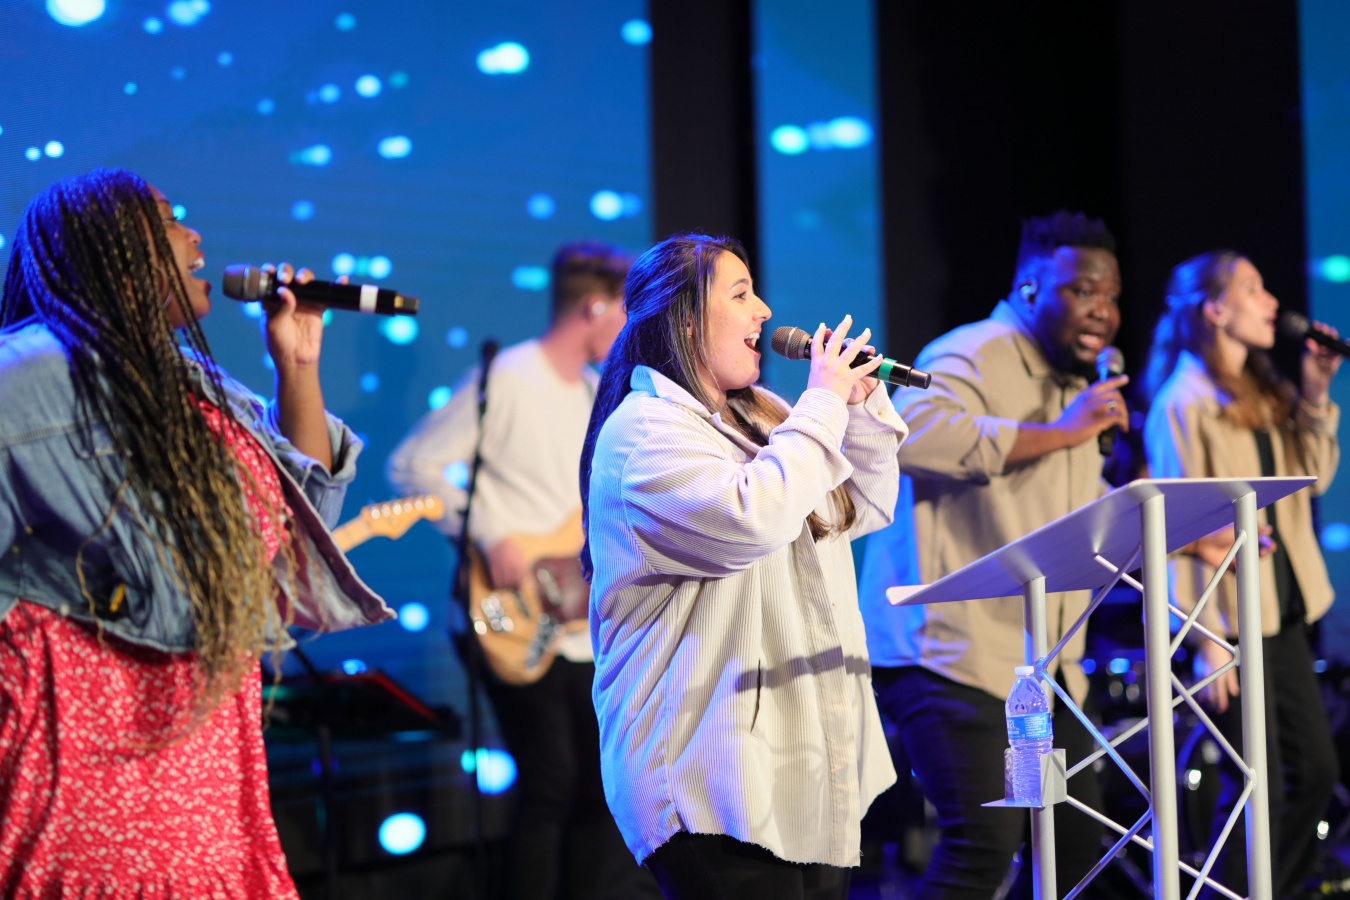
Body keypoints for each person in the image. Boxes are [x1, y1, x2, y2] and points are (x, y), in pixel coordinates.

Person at [0, 168, 392, 896]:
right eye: (170, 221)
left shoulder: (192, 383)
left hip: (207, 778)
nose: (195, 236)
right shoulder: (26, 379)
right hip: (88, 770)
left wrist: (297, 367)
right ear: (111, 246)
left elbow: (293, 540)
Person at [580, 233, 907, 900]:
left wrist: (857, 408)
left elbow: (860, 508)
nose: (764, 311)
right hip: (708, 781)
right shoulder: (645, 434)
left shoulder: (762, 417)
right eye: (740, 294)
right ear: (685, 319)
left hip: (799, 773)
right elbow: (752, 518)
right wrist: (821, 403)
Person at [857, 211, 1128, 899]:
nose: (1102, 311)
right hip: (950, 656)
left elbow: (1069, 508)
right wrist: (1062, 431)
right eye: (1082, 292)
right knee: (984, 842)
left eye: (1111, 296)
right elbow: (913, 436)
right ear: (1031, 288)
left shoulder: (1076, 383)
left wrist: (1194, 532)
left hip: (1042, 668)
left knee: (1072, 845)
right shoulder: (969, 353)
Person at [386, 241, 658, 900]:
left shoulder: (597, 391)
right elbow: (412, 464)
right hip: (513, 614)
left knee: (600, 788)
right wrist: (489, 534)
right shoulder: (507, 375)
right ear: (594, 307)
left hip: (581, 621)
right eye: (626, 313)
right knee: (549, 783)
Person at [1142, 251, 1340, 899]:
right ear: (1215, 310)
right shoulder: (1183, 403)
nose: (1271, 302)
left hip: (1280, 612)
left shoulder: (1265, 390)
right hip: (1229, 624)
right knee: (1260, 787)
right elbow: (1170, 532)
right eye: (1253, 290)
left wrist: (1315, 392)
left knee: (1314, 773)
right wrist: (1204, 641)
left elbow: (1313, 479)